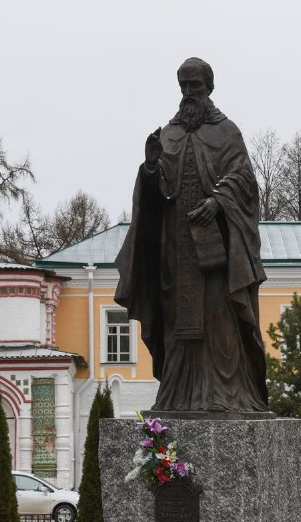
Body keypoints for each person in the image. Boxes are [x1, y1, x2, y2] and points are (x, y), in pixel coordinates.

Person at [115, 57, 269, 413]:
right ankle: (177, 395)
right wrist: (151, 166)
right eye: (183, 86)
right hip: (175, 251)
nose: (187, 93)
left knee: (220, 322)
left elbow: (245, 180)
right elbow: (154, 197)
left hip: (215, 253)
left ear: (209, 87)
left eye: (194, 86)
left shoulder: (226, 132)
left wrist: (218, 202)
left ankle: (226, 395)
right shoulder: (167, 134)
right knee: (176, 323)